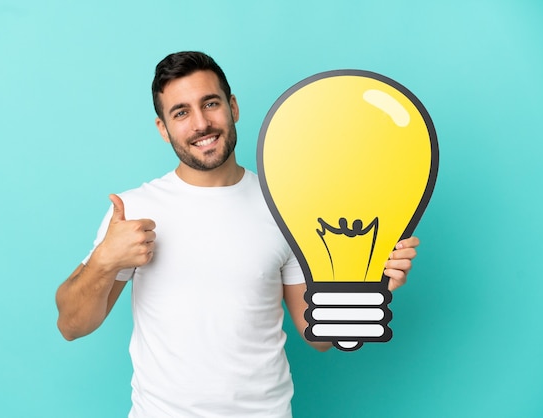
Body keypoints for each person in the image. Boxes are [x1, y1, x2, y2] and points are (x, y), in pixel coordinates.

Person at [55, 51, 419, 417]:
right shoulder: (134, 211)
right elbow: (72, 325)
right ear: (163, 129)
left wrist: (370, 284)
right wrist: (105, 260)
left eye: (210, 104)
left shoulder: (287, 209)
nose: (200, 123)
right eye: (181, 112)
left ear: (233, 107)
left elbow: (318, 336)